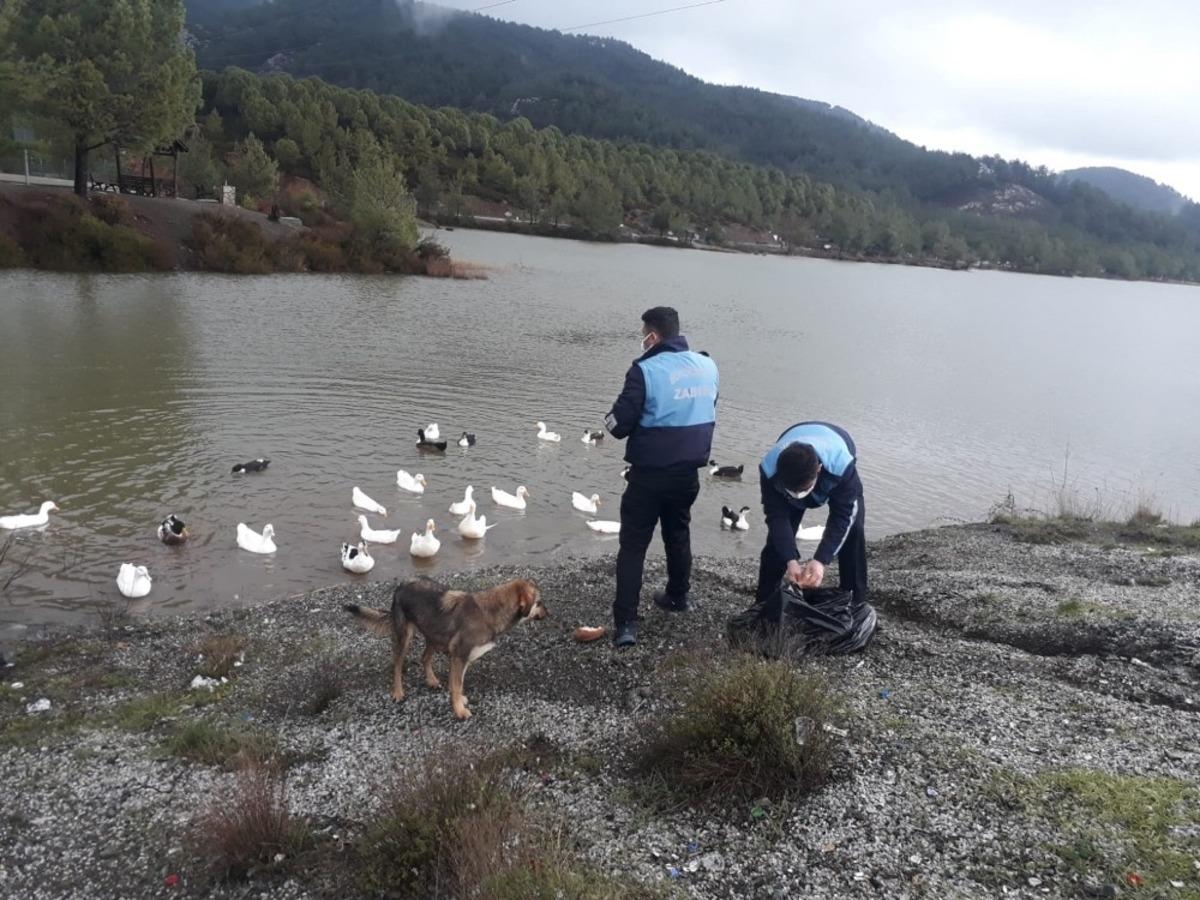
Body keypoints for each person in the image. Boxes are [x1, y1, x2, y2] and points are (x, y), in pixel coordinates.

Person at [604, 307, 719, 648]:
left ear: (652, 336)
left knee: (633, 546)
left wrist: (607, 418)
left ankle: (626, 623)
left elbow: (619, 425)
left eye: (643, 333)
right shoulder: (707, 366)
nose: (642, 340)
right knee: (678, 533)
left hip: (649, 476)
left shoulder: (644, 371)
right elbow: (710, 404)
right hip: (688, 475)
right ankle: (678, 597)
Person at [756, 421, 866, 621]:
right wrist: (790, 559)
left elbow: (843, 516)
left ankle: (855, 603)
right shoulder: (769, 469)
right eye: (793, 491)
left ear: (819, 470)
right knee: (777, 540)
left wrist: (821, 560)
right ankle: (764, 600)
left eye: (802, 490)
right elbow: (776, 516)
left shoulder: (841, 466)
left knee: (854, 531)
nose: (799, 495)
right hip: (793, 445)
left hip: (837, 444)